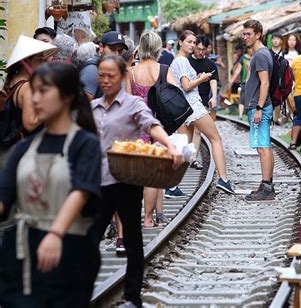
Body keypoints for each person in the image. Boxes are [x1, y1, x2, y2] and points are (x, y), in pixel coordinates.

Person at [0, 62, 101, 306]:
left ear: (66, 96)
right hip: (22, 252)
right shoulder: (23, 148)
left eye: (43, 91)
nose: (35, 98)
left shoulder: (85, 144)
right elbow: (4, 198)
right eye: (33, 91)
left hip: (70, 251)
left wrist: (56, 233)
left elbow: (81, 191)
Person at [89, 55, 183, 308]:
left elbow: (151, 125)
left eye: (111, 75)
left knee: (132, 240)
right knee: (89, 241)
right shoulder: (93, 107)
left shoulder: (132, 104)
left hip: (127, 181)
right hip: (99, 182)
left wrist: (169, 146)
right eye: (102, 75)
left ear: (122, 76)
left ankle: (132, 297)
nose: (106, 80)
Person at [170, 30, 235, 194]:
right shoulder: (182, 61)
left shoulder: (176, 61)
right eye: (189, 42)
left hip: (182, 109)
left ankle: (171, 185)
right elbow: (186, 86)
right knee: (216, 139)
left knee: (184, 148)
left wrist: (196, 78)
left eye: (194, 42)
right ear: (180, 42)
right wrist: (202, 79)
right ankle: (223, 179)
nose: (192, 45)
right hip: (193, 106)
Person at [124, 31, 174, 228]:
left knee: (136, 174)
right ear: (158, 48)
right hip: (158, 126)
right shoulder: (164, 69)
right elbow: (173, 98)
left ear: (140, 47)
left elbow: (127, 101)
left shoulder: (131, 72)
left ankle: (134, 216)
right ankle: (148, 219)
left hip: (138, 127)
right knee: (153, 176)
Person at [1, 36, 58, 165]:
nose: (44, 64)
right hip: (25, 153)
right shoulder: (27, 88)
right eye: (40, 60)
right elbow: (30, 124)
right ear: (26, 62)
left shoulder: (14, 81)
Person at [241, 19, 275, 201]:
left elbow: (265, 83)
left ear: (258, 34)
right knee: (265, 146)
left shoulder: (260, 55)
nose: (245, 37)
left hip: (258, 105)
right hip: (258, 105)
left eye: (248, 34)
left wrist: (259, 108)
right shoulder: (263, 53)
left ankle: (267, 188)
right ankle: (267, 184)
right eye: (244, 34)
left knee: (262, 147)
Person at [188, 35, 219, 170]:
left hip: (202, 101)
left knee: (197, 130)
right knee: (186, 130)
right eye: (198, 49)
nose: (201, 52)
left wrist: (213, 97)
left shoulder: (210, 64)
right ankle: (185, 157)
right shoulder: (186, 62)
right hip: (187, 100)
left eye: (203, 50)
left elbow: (213, 80)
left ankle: (193, 159)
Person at [80, 31, 128, 100]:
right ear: (101, 47)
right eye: (112, 49)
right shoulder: (92, 69)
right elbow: (83, 105)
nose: (117, 54)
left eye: (120, 51)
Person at [236, 46, 254, 120]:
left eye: (252, 48)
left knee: (251, 99)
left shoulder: (256, 57)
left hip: (254, 82)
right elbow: (238, 70)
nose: (251, 50)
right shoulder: (243, 58)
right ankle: (240, 115)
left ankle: (249, 115)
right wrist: (231, 80)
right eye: (249, 48)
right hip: (244, 81)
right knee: (242, 98)